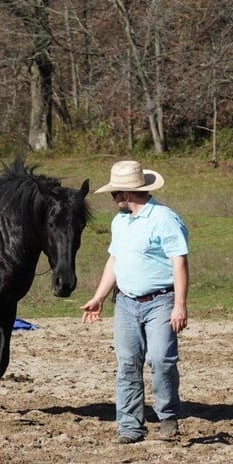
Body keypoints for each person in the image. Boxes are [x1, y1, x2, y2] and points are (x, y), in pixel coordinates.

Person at [81, 160, 189, 444]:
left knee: (160, 360)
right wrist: (98, 297)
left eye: (114, 193)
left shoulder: (165, 219)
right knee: (127, 362)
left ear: (125, 194)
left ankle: (167, 417)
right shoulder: (120, 222)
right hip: (126, 303)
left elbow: (179, 262)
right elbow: (114, 260)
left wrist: (180, 304)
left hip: (160, 301)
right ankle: (129, 427)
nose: (112, 199)